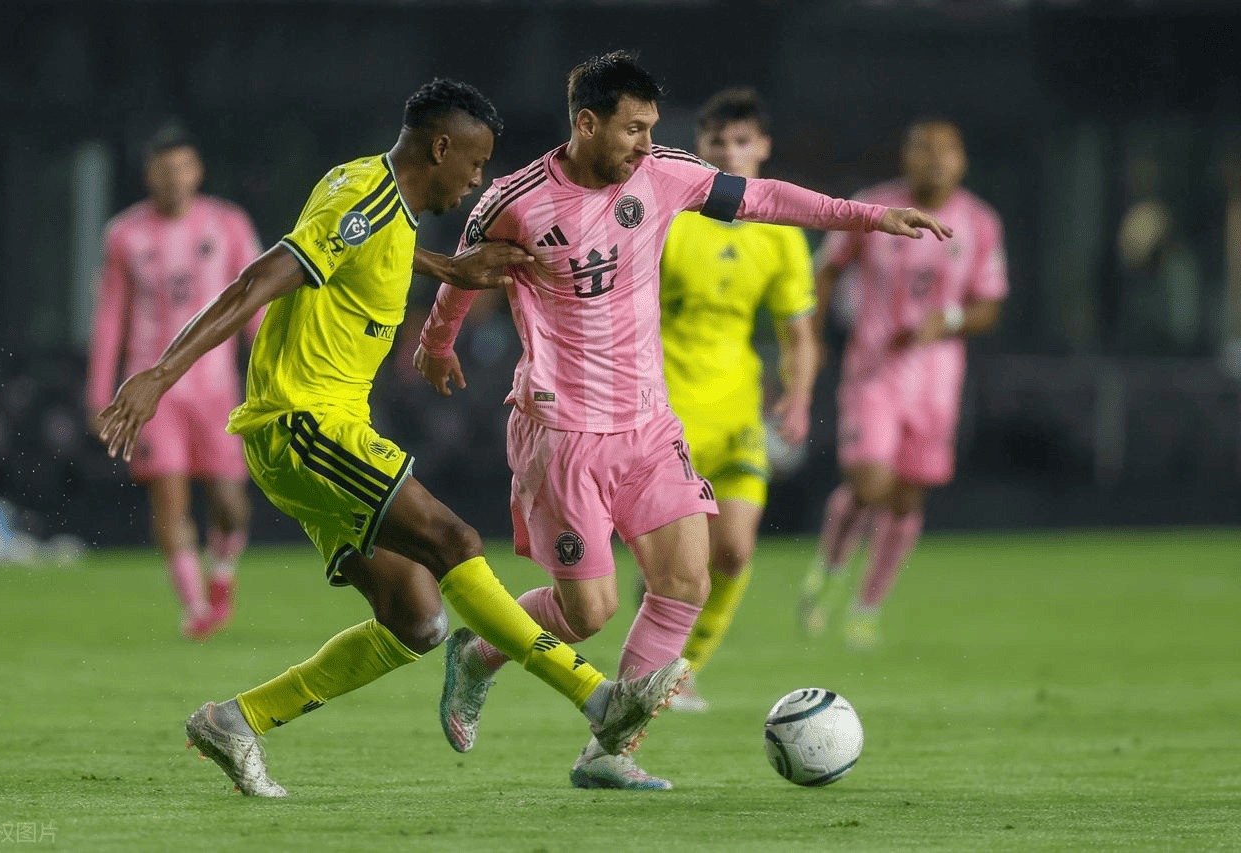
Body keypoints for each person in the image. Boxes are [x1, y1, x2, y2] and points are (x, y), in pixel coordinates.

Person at [96, 78, 690, 799]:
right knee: (454, 540)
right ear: (440, 147)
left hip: (317, 430)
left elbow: (374, 247)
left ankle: (235, 720)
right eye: (473, 163)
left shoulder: (373, 194)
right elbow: (257, 279)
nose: (476, 181)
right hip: (304, 421)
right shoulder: (367, 197)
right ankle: (598, 697)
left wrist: (448, 268)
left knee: (417, 621)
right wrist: (160, 374)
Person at [415, 52, 951, 790]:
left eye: (651, 128)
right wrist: (437, 342)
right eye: (632, 128)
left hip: (648, 426)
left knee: (686, 582)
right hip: (562, 434)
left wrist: (869, 216)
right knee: (588, 611)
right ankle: (480, 654)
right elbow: (464, 271)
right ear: (586, 123)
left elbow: (764, 197)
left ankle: (609, 751)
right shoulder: (517, 198)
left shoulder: (664, 175)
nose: (646, 143)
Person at [797, 118, 1007, 649]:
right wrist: (811, 340)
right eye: (923, 148)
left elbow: (989, 305)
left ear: (962, 160)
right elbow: (827, 270)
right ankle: (829, 571)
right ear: (905, 156)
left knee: (907, 498)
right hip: (873, 370)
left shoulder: (979, 222)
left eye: (945, 150)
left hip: (936, 381)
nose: (934, 159)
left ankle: (867, 607)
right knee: (870, 482)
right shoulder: (874, 207)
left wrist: (951, 319)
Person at [655, 88, 817, 712]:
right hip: (665, 412)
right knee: (684, 562)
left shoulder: (779, 233)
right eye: (717, 142)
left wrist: (798, 398)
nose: (729, 152)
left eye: (742, 141)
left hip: (737, 413)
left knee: (735, 550)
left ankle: (684, 671)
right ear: (699, 148)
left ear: (763, 148)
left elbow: (798, 333)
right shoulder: (670, 219)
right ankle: (660, 661)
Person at [86, 125, 263, 641]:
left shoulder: (228, 224)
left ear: (197, 171)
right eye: (164, 170)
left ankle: (222, 575)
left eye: (182, 167)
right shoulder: (124, 234)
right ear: (149, 175)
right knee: (169, 497)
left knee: (229, 501)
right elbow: (109, 318)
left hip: (216, 387)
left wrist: (273, 371)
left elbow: (255, 301)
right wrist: (99, 396)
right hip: (151, 390)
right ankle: (195, 607)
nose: (174, 178)